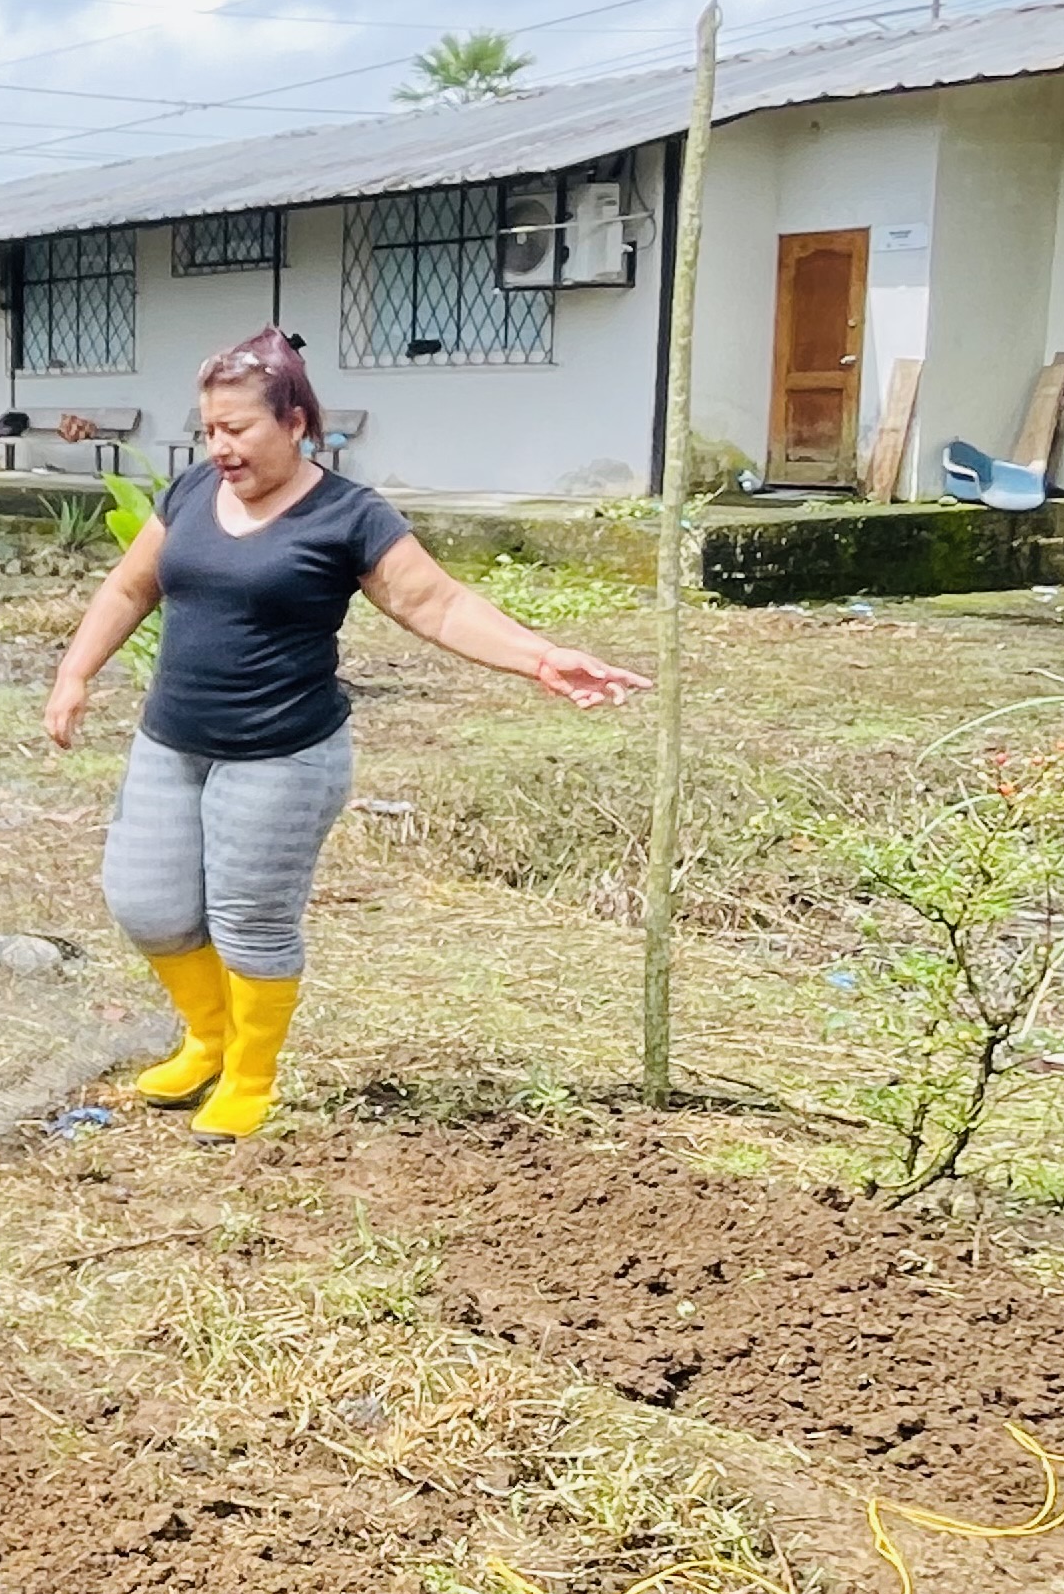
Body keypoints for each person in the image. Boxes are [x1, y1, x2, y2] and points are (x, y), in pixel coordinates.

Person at [47, 328, 648, 1139]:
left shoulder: (349, 515)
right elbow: (129, 587)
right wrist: (75, 672)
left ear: (295, 423)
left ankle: (250, 1077)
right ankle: (207, 1038)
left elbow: (437, 605)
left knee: (250, 922)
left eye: (238, 429)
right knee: (147, 904)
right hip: (172, 741)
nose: (219, 447)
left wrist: (539, 657)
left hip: (283, 753)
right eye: (210, 429)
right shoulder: (190, 492)